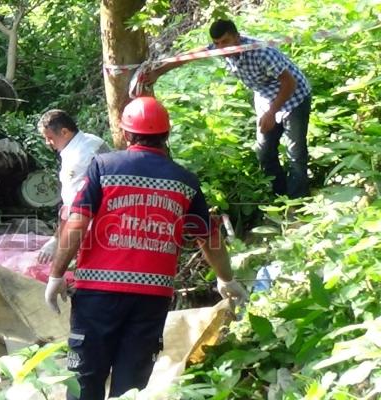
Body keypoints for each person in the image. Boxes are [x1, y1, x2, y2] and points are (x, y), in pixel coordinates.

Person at [44, 97, 248, 399]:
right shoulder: (185, 181)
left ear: (126, 134)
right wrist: (226, 278)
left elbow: (77, 224)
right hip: (150, 300)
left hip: (98, 295)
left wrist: (56, 275)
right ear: (166, 135)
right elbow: (208, 237)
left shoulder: (104, 166)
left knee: (85, 380)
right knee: (130, 387)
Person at [145, 19, 312, 198]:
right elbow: (191, 56)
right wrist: (158, 72)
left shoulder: (261, 52)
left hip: (294, 97)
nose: (221, 48)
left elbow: (289, 83)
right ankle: (280, 196)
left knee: (295, 152)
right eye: (217, 43)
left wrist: (272, 113)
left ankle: (298, 201)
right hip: (265, 96)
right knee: (264, 151)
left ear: (237, 38)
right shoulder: (222, 50)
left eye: (225, 42)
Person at [35, 110, 110, 265]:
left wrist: (56, 240)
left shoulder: (79, 158)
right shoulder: (92, 140)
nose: (48, 143)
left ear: (64, 132)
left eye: (50, 138)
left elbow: (73, 207)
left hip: (92, 223)